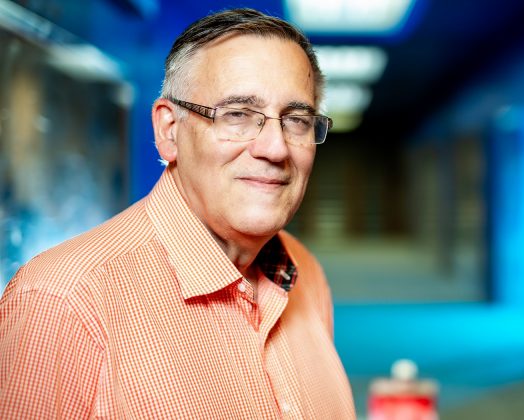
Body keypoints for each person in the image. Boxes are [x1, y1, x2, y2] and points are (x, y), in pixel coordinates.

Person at [0, 8, 356, 419]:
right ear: (169, 131)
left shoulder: (305, 273)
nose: (275, 149)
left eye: (296, 120)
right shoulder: (63, 302)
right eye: (237, 115)